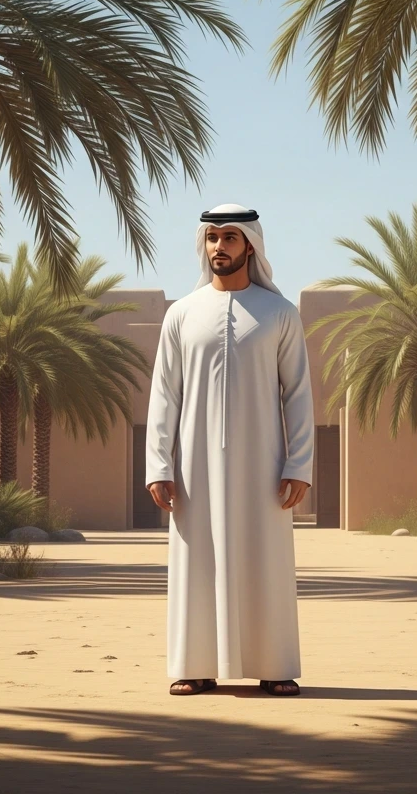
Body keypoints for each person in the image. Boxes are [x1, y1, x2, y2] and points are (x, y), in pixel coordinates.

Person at [145, 203, 315, 696]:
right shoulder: (181, 314)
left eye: (229, 238)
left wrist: (299, 463)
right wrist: (159, 463)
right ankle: (194, 666)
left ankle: (275, 664)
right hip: (193, 467)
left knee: (267, 560)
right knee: (196, 561)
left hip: (263, 465)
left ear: (250, 246)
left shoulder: (280, 314)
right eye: (212, 238)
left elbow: (299, 394)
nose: (219, 247)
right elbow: (164, 394)